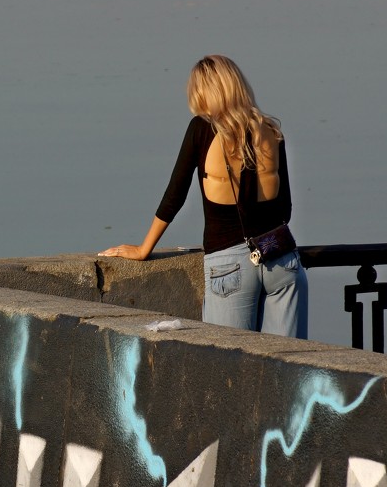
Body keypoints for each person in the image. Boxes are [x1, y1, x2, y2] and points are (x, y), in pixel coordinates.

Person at [99, 55, 308, 338]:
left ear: (203, 91)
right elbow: (285, 210)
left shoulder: (202, 129)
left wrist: (142, 249)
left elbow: (175, 195)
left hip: (228, 264)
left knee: (230, 368)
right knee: (289, 369)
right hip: (282, 259)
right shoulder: (271, 130)